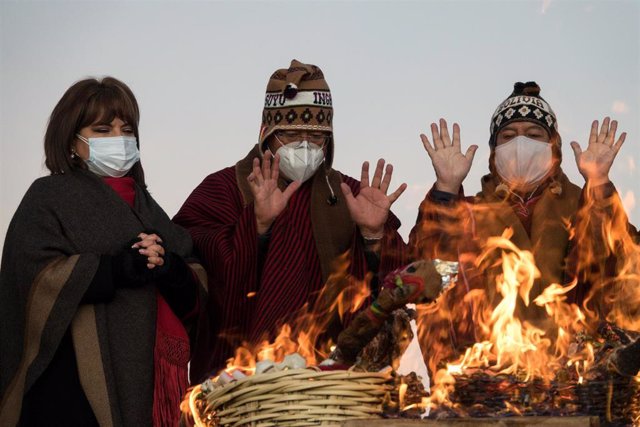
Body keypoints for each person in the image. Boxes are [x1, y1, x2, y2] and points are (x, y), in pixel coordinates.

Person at [174, 60, 408, 381]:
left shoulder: (350, 194)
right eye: (291, 133)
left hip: (332, 380)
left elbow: (399, 287)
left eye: (316, 135)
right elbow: (189, 270)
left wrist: (373, 236)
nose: (304, 144)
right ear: (266, 134)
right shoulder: (224, 188)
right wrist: (256, 226)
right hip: (238, 380)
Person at [0, 77, 204, 427]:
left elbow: (195, 284)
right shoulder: (48, 196)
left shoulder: (147, 205)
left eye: (126, 130)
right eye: (102, 129)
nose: (119, 139)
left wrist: (168, 267)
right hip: (68, 388)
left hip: (147, 381)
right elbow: (29, 276)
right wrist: (115, 269)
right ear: (72, 141)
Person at [410, 81, 638, 356]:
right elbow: (430, 272)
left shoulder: (585, 204)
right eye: (508, 136)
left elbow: (623, 263)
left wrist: (599, 184)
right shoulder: (469, 211)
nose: (520, 143)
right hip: (485, 374)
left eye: (533, 134)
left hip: (577, 374)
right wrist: (445, 191)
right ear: (494, 151)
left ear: (553, 146)